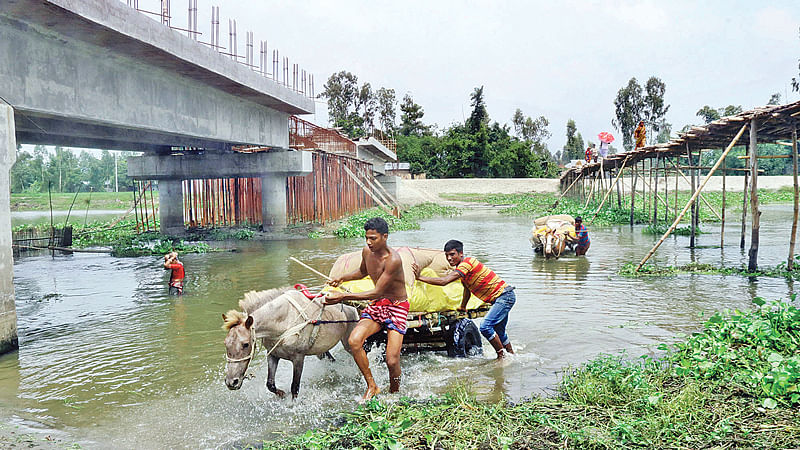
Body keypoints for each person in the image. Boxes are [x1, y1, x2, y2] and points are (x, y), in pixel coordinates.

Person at [325, 217, 408, 402]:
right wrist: (342, 279)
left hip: (396, 306)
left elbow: (378, 291)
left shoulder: (393, 260)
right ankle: (372, 385)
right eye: (367, 238)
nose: (369, 242)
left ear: (385, 237)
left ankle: (395, 395)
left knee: (392, 360)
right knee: (354, 341)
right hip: (378, 305)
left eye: (373, 238)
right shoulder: (366, 252)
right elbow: (362, 272)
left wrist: (342, 297)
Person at [412, 240, 515, 360]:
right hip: (501, 298)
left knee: (485, 327)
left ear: (461, 253)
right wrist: (463, 306)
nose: (449, 258)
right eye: (447, 256)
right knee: (499, 330)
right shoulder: (462, 271)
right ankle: (512, 355)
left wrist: (419, 277)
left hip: (504, 297)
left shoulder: (467, 263)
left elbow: (444, 281)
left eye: (452, 254)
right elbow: (467, 290)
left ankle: (501, 356)